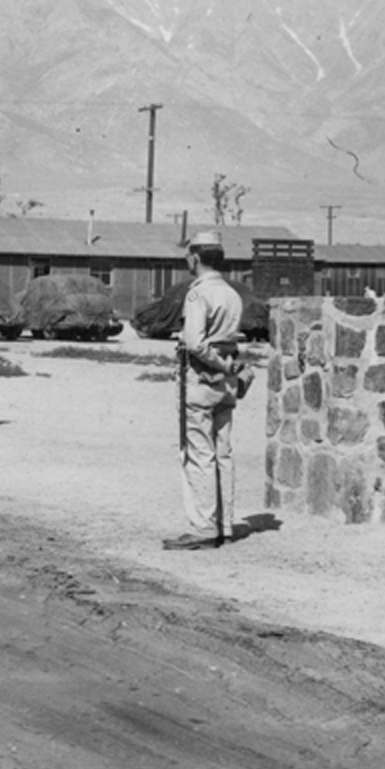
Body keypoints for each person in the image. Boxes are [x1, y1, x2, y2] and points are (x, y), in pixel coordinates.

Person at [167, 230, 254, 551]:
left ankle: (203, 526)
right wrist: (229, 367)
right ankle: (224, 524)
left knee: (198, 452)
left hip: (201, 378)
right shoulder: (231, 293)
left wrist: (218, 363)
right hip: (226, 383)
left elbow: (194, 342)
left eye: (189, 256)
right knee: (223, 452)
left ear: (196, 257)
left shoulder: (198, 293)